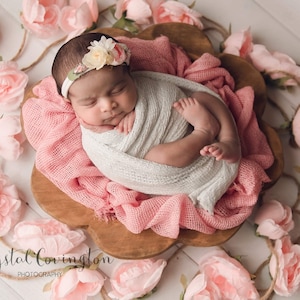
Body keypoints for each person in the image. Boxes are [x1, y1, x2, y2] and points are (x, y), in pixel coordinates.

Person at [51, 32, 241, 213]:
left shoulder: (144, 86)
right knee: (159, 156)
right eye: (91, 102)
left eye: (118, 90)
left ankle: (229, 139)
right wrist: (116, 127)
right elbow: (113, 159)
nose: (108, 106)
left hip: (183, 114)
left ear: (130, 76)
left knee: (204, 97)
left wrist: (136, 110)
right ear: (71, 104)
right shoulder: (92, 134)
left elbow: (163, 93)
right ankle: (205, 131)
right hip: (173, 159)